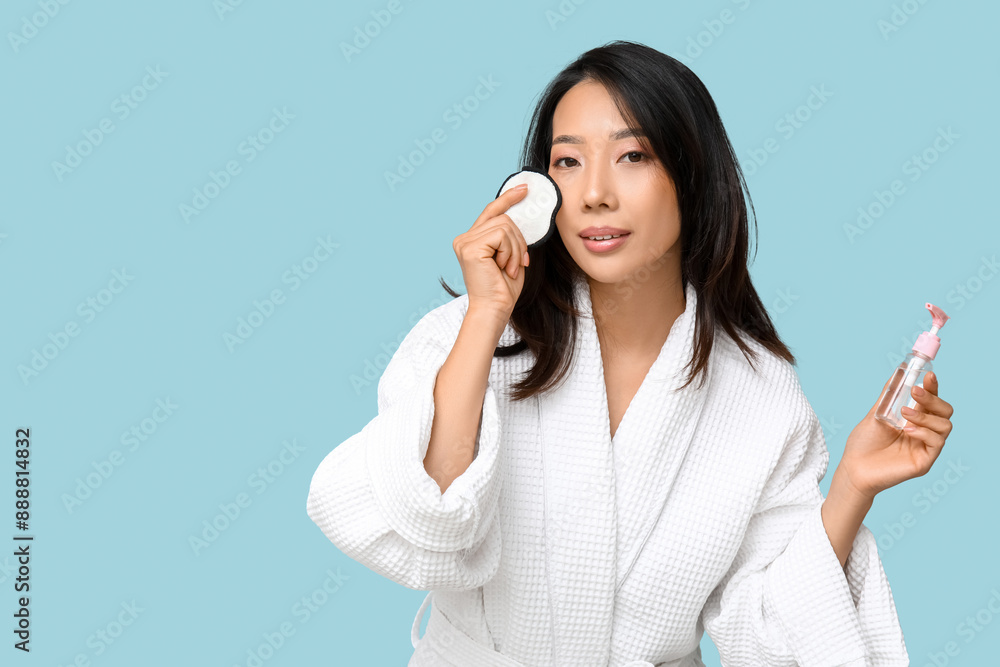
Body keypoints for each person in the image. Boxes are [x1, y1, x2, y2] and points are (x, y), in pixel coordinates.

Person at [306, 40, 954, 666]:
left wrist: (852, 486)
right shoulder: (468, 336)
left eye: (633, 156)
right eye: (567, 161)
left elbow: (768, 638)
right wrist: (484, 317)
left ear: (693, 176)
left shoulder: (759, 393)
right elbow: (429, 524)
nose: (594, 194)